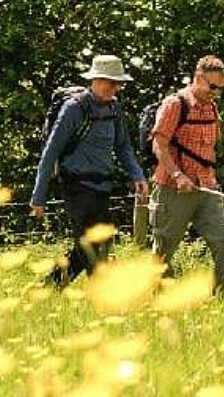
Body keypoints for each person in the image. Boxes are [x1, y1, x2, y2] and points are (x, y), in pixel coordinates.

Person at [31, 54, 148, 287]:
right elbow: (51, 152)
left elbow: (123, 146)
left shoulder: (114, 109)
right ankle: (103, 299)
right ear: (94, 80)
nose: (112, 87)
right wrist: (38, 197)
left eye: (117, 83)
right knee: (91, 245)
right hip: (76, 186)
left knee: (98, 244)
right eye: (108, 81)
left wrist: (138, 175)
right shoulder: (74, 109)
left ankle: (48, 288)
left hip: (102, 187)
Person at [149, 55, 224, 293]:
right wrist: (179, 175)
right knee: (163, 250)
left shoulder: (212, 107)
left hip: (207, 189)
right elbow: (158, 145)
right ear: (198, 78)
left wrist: (210, 181)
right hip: (172, 188)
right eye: (212, 86)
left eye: (220, 88)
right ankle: (155, 299)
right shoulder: (175, 104)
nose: (216, 92)